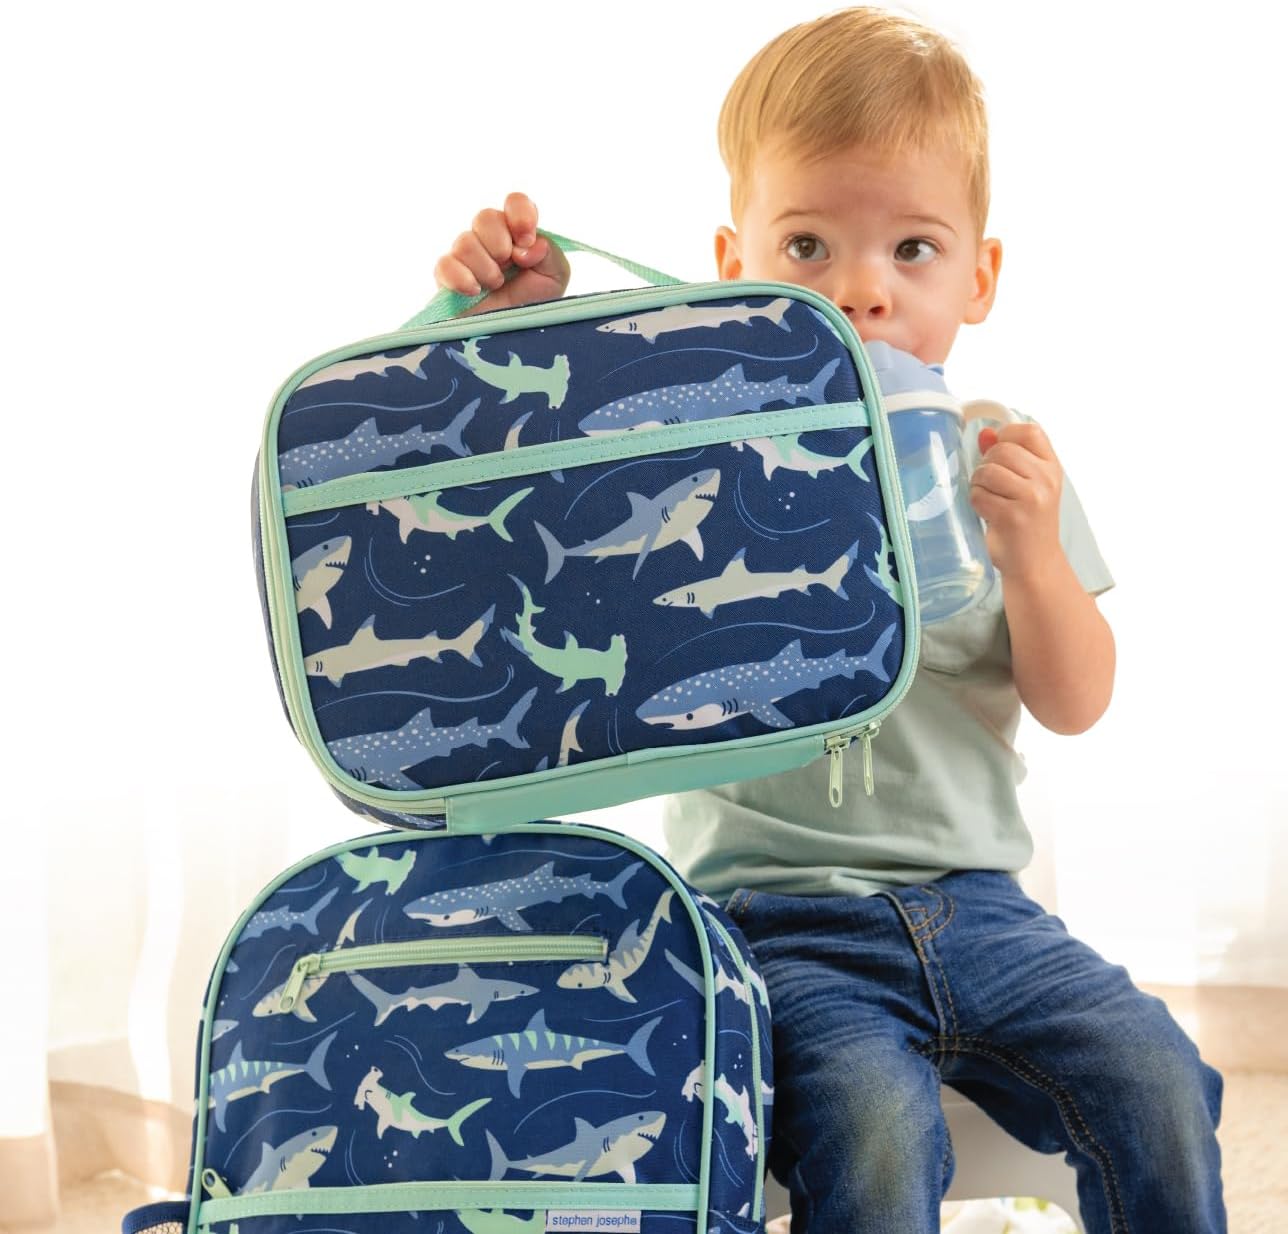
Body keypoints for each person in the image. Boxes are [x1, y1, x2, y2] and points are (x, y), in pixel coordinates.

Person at [431, 9, 1226, 1231]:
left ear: (979, 277)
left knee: (1161, 1079)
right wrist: (502, 327)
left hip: (982, 903)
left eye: (913, 248)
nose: (862, 290)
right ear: (732, 265)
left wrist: (1032, 559)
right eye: (808, 245)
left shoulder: (999, 456)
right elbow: (531, 507)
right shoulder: (704, 453)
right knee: (873, 1125)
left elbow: (1075, 701)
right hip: (770, 919)